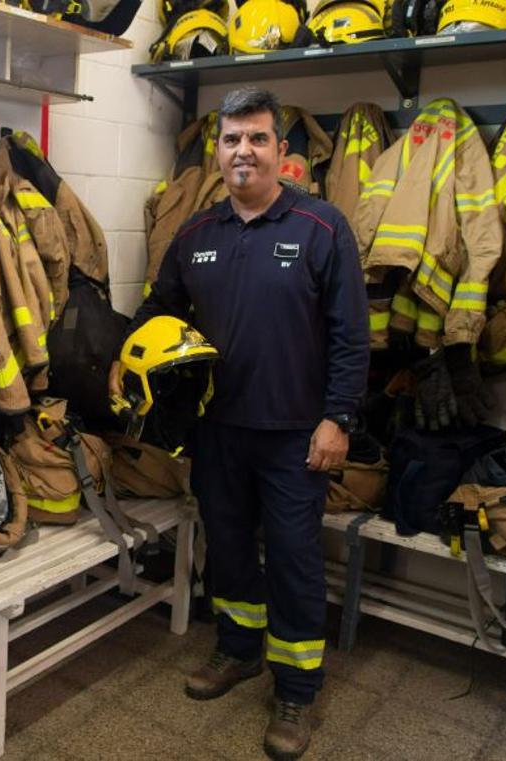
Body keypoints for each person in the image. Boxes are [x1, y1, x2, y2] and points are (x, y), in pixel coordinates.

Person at [111, 87, 369, 760]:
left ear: (282, 152)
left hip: (294, 433)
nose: (243, 151)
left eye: (257, 138)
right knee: (227, 547)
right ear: (217, 151)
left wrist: (337, 418)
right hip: (215, 429)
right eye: (231, 140)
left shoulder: (321, 227)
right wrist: (131, 360)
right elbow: (158, 310)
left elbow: (351, 336)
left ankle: (296, 688)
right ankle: (237, 650)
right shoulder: (194, 235)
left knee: (292, 557)